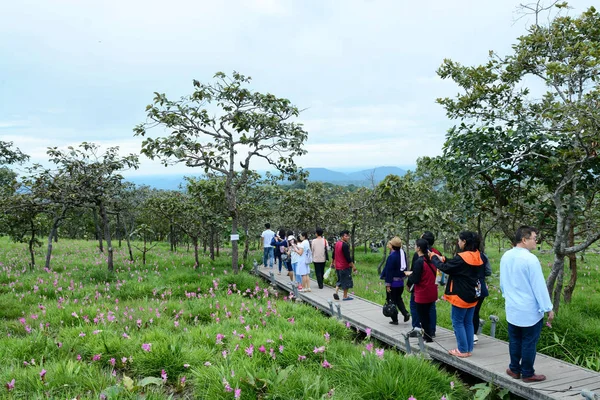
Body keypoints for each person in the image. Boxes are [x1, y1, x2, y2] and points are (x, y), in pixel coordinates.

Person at [500, 226, 554, 383]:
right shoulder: (530, 259)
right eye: (534, 238)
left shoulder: (506, 256)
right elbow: (539, 286)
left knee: (515, 339)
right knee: (529, 341)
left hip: (512, 307)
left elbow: (503, 283)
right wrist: (547, 308)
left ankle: (514, 369)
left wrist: (508, 297)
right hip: (529, 309)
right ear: (524, 240)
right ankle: (528, 373)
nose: (536, 241)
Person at [430, 231, 483, 358]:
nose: (458, 243)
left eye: (459, 240)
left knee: (458, 322)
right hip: (473, 293)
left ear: (464, 241)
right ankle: (468, 348)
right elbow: (456, 266)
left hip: (460, 294)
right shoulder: (477, 255)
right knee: (468, 322)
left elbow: (446, 268)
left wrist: (433, 258)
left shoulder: (462, 257)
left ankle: (462, 350)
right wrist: (446, 260)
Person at [405, 238, 438, 341]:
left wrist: (409, 275)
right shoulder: (431, 259)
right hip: (432, 291)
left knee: (423, 316)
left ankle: (427, 337)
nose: (414, 247)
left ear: (419, 248)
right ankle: (429, 334)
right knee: (428, 314)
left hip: (422, 293)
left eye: (415, 245)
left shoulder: (419, 261)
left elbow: (416, 279)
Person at [380, 237, 410, 324]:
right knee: (398, 299)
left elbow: (389, 271)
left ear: (392, 246)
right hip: (400, 283)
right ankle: (405, 313)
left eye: (389, 243)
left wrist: (388, 284)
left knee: (391, 300)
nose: (388, 244)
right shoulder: (402, 253)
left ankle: (395, 319)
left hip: (393, 283)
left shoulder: (392, 257)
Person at [473, 236, 492, 344]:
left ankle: (470, 335)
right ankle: (474, 334)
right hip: (481, 287)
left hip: (471, 288)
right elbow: (488, 271)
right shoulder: (483, 256)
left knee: (469, 312)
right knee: (476, 311)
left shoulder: (466, 256)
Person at [331, 230, 356, 301]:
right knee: (346, 281)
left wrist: (332, 262)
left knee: (340, 280)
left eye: (348, 236)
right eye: (346, 236)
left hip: (338, 266)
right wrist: (353, 266)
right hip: (344, 266)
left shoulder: (337, 244)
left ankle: (335, 291)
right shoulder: (345, 245)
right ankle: (345, 296)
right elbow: (348, 258)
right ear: (342, 237)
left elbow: (333, 254)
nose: (347, 237)